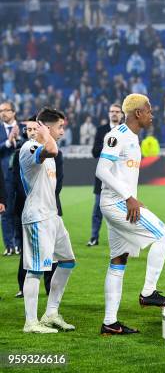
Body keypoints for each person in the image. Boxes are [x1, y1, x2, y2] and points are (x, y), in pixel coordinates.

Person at [96, 94, 165, 336]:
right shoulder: (117, 135)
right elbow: (101, 170)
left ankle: (110, 322)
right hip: (116, 203)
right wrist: (128, 197)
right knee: (164, 234)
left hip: (119, 203)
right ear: (138, 113)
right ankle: (148, 292)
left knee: (118, 260)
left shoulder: (132, 137)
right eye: (149, 110)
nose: (152, 115)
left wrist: (131, 196)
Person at [20, 108, 76, 334]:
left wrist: (48, 135)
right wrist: (44, 134)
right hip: (37, 217)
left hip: (52, 216)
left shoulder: (45, 146)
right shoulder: (31, 146)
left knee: (67, 261)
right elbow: (52, 149)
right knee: (35, 270)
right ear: (48, 127)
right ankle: (31, 323)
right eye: (60, 126)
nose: (63, 131)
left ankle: (51, 312)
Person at [88, 104, 123, 247]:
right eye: (112, 111)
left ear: (122, 114)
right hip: (103, 177)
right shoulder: (101, 130)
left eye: (117, 112)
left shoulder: (126, 131)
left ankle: (121, 239)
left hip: (121, 177)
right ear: (108, 114)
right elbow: (94, 152)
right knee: (98, 209)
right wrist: (107, 144)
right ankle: (94, 237)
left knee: (121, 211)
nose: (114, 114)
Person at [0, 102, 21, 255]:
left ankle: (20, 244)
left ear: (13, 112)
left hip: (22, 176)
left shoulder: (25, 128)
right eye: (0, 111)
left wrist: (18, 139)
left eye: (6, 110)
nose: (2, 113)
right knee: (5, 211)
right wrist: (8, 142)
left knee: (20, 211)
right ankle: (9, 245)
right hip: (4, 177)